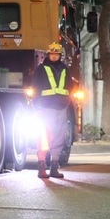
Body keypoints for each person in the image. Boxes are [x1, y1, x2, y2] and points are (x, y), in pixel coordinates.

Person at [34, 43, 72, 179]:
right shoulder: (41, 69)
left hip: (61, 107)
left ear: (60, 55)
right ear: (48, 54)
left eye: (56, 54)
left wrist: (67, 101)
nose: (54, 56)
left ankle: (54, 167)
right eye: (52, 53)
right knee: (45, 137)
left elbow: (69, 86)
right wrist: (37, 107)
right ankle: (42, 166)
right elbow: (35, 88)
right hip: (46, 107)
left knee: (59, 137)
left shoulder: (64, 69)